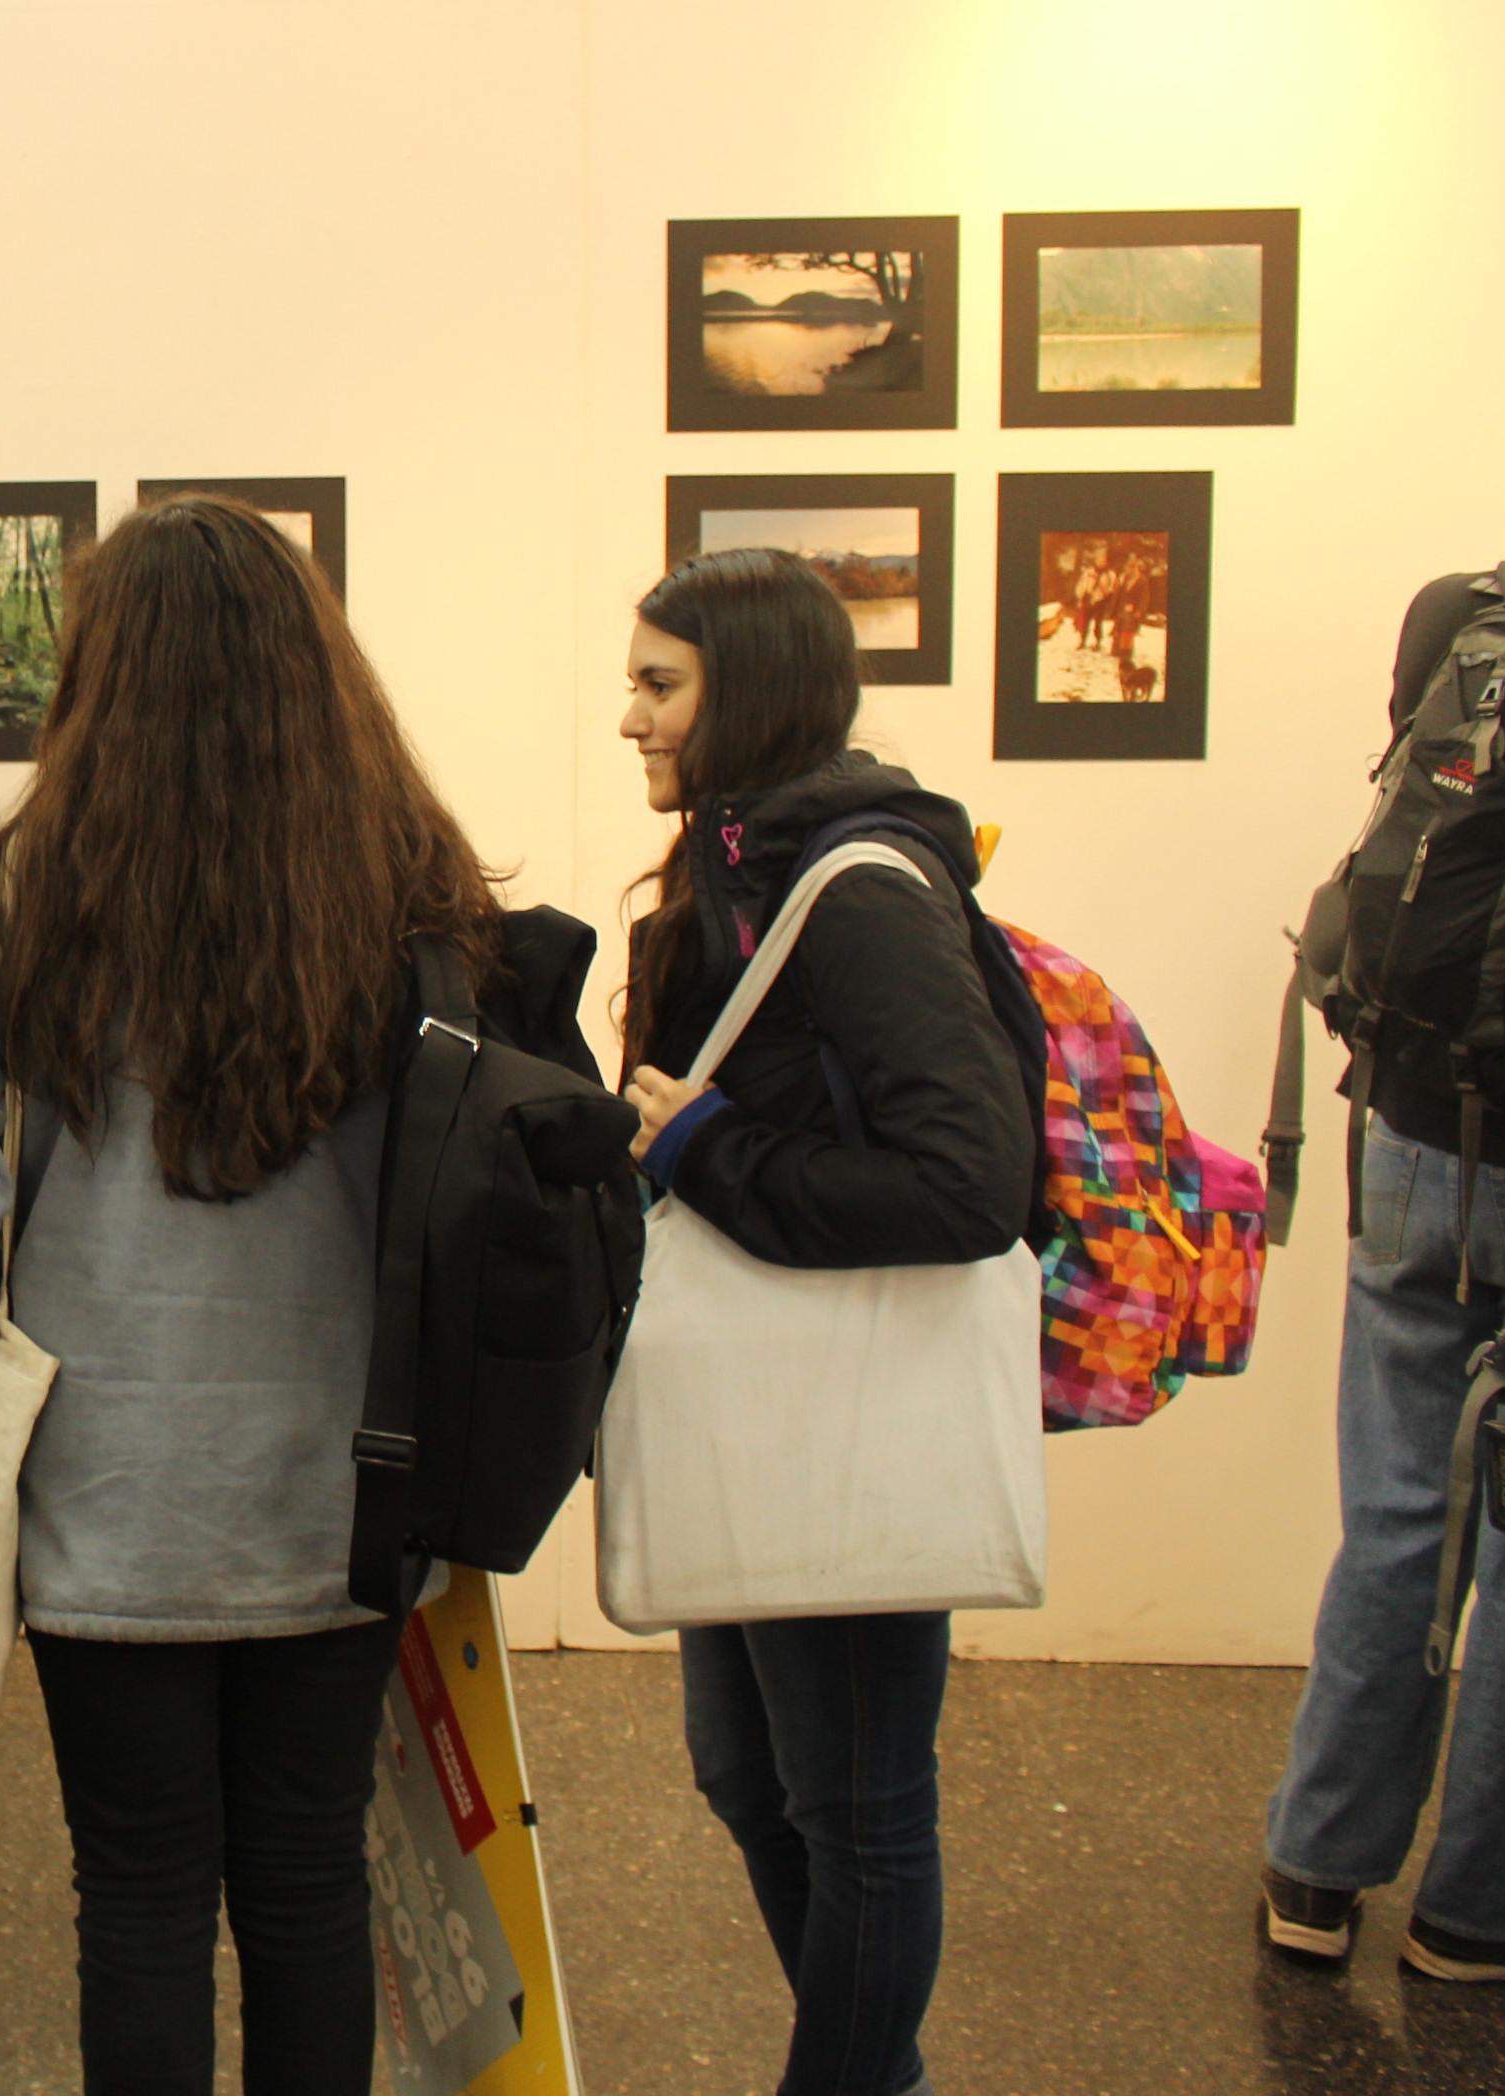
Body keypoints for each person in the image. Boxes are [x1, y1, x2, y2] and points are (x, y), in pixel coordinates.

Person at [0, 494, 499, 2096]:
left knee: (134, 1894)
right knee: (304, 1880)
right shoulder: (409, 882)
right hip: (348, 1489)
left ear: (97, 675)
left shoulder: (18, 888)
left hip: (102, 1485)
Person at [613, 549, 1031, 2096]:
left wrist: (707, 1145)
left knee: (857, 1805)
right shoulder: (741, 865)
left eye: (660, 685)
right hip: (767, 1401)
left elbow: (971, 1181)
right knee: (748, 1776)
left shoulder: (854, 893)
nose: (629, 719)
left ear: (754, 690)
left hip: (850, 1404)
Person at [1258, 364, 1505, 1993]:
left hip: (1410, 1126)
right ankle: (1483, 1908)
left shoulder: (1457, 613)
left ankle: (1315, 1869)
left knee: (1398, 1506)